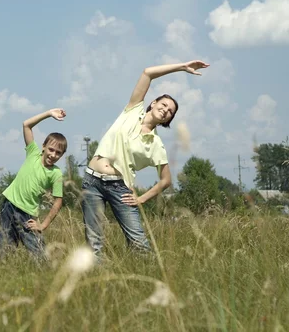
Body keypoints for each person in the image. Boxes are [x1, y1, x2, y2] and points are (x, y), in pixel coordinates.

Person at [82, 60, 209, 255]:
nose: (166, 110)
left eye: (170, 112)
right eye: (164, 104)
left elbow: (166, 180)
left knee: (139, 244)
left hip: (119, 187)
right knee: (94, 242)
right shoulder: (132, 111)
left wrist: (141, 199)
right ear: (153, 103)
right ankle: (94, 283)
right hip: (91, 181)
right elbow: (148, 73)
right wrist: (182, 67)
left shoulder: (156, 144)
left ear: (168, 119)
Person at [0, 109, 67, 261]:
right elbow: (26, 125)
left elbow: (58, 201)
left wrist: (43, 225)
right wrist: (49, 113)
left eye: (58, 153)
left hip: (27, 214)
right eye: (51, 149)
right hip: (8, 205)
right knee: (5, 249)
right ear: (43, 146)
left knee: (39, 254)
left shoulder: (56, 173)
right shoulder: (33, 153)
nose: (53, 155)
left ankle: (45, 279)